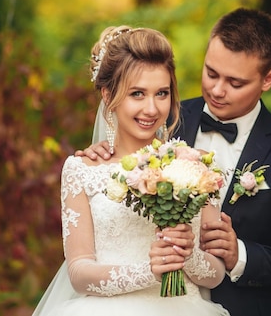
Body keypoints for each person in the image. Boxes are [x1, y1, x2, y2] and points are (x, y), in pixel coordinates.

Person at [78, 8, 271, 316]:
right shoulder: (161, 117)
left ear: (268, 79)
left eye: (235, 82)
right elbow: (121, 158)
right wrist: (101, 153)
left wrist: (240, 254)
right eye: (211, 73)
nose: (216, 90)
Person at [32, 26, 230, 316]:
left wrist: (188, 257)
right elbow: (79, 272)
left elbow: (216, 273)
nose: (151, 108)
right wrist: (148, 271)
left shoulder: (196, 167)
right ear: (108, 94)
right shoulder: (82, 169)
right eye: (137, 94)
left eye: (161, 93)